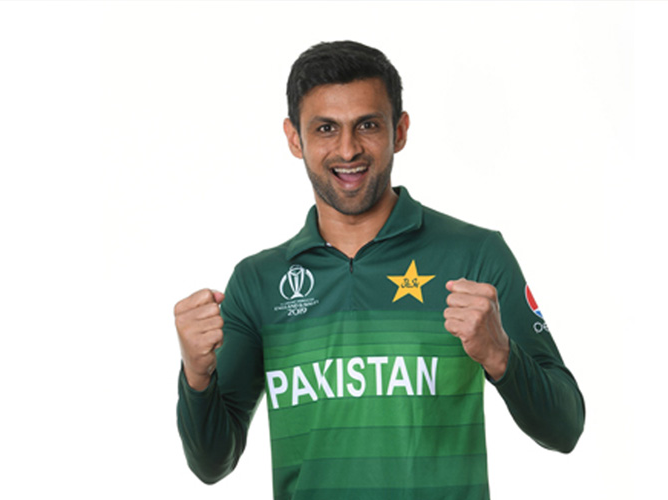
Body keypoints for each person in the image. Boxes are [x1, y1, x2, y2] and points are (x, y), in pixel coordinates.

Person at [174, 40, 585, 499]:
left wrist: (500, 355)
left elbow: (565, 428)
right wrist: (196, 374)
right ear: (294, 138)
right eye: (326, 128)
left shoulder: (475, 255)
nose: (348, 149)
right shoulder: (259, 282)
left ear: (400, 131)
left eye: (367, 125)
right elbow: (212, 463)